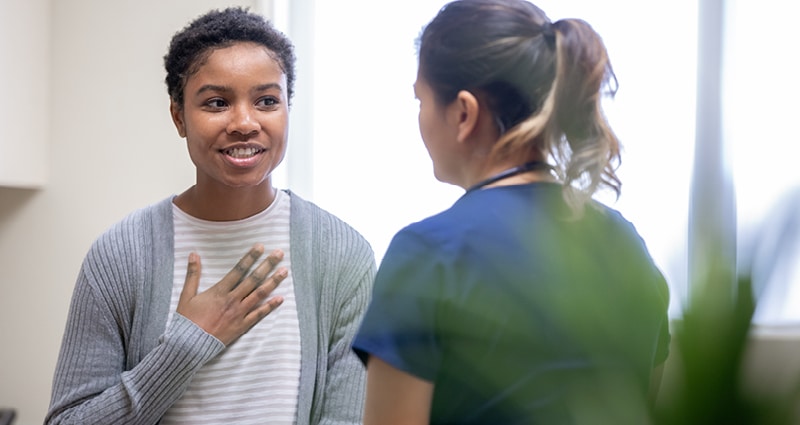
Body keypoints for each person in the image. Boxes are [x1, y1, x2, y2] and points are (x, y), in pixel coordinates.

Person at [46, 7, 376, 425]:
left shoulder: (342, 256)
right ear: (179, 116)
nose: (244, 123)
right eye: (217, 102)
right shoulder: (120, 256)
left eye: (267, 101)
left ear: (288, 108)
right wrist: (184, 346)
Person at [351, 0, 671, 423]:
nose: (421, 119)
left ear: (464, 113)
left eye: (421, 100)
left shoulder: (428, 253)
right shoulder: (625, 242)